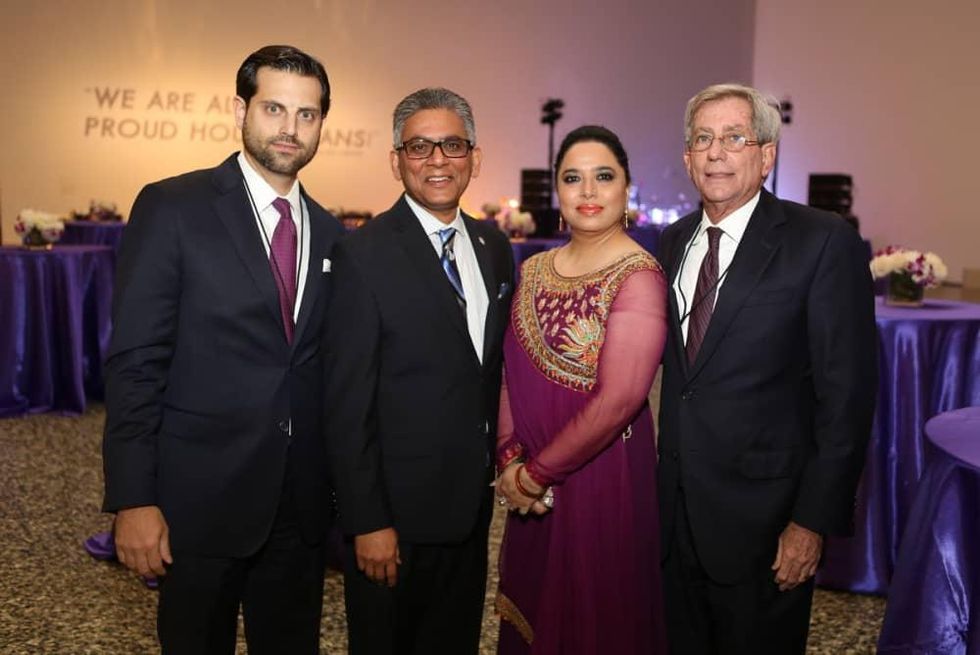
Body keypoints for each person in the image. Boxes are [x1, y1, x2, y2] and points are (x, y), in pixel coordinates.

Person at [101, 45, 343, 654]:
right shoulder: (173, 207)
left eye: (307, 114)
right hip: (198, 501)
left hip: (298, 509)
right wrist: (134, 497)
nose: (290, 128)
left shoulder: (331, 232)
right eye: (274, 109)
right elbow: (136, 363)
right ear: (241, 110)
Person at [657, 83, 878, 654]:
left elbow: (847, 398)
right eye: (702, 139)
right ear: (686, 157)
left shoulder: (822, 242)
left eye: (735, 138)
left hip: (767, 524)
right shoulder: (671, 243)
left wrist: (811, 522)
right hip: (674, 518)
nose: (715, 152)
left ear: (767, 155)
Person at [324, 87, 515, 654]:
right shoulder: (363, 255)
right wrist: (366, 521)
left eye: (452, 145)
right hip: (393, 521)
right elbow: (346, 403)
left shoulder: (492, 247)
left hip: (469, 512)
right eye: (419, 147)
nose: (437, 160)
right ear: (396, 160)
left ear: (474, 158)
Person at [494, 125, 669, 654]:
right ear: (557, 191)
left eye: (603, 177)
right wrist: (509, 460)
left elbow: (620, 400)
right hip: (531, 480)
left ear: (626, 188)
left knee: (593, 620)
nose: (588, 192)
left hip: (602, 480)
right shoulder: (533, 269)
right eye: (572, 178)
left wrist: (536, 475)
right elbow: (508, 372)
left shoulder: (639, 277)